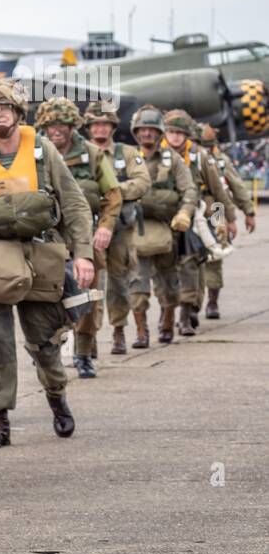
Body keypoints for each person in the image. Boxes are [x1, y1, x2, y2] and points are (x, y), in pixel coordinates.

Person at [0, 78, 94, 447]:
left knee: (44, 341)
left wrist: (83, 253)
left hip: (40, 258)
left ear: (18, 113)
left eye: (3, 108)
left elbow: (75, 204)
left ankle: (56, 398)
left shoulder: (43, 151)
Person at [33, 97, 123, 379]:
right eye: (50, 125)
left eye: (62, 124)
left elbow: (112, 195)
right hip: (47, 241)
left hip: (84, 237)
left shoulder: (92, 154)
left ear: (73, 125)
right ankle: (49, 354)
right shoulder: (35, 153)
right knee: (47, 300)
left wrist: (105, 227)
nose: (56, 129)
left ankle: (84, 354)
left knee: (88, 298)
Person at [81, 101, 151, 355]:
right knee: (91, 285)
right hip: (89, 227)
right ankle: (90, 337)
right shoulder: (82, 153)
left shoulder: (128, 153)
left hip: (122, 227)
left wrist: (112, 191)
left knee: (120, 283)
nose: (100, 129)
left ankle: (120, 331)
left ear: (112, 127)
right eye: (96, 124)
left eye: (105, 124)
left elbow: (143, 182)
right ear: (89, 127)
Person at [126, 106, 199, 346]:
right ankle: (142, 331)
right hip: (137, 228)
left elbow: (214, 193)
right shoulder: (128, 157)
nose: (147, 134)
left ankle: (182, 317)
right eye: (142, 130)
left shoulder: (200, 158)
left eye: (152, 130)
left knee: (183, 274)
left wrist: (220, 220)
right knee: (137, 281)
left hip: (187, 220)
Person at [160, 110, 231, 336]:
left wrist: (226, 221)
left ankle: (192, 310)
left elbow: (218, 191)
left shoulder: (201, 157)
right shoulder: (157, 155)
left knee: (195, 264)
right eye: (172, 132)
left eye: (181, 133)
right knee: (164, 267)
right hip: (167, 217)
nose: (176, 137)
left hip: (200, 215)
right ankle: (168, 312)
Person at [197, 122, 256, 319]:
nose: (205, 149)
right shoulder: (187, 158)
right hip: (194, 206)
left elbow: (236, 186)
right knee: (188, 257)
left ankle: (212, 302)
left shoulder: (221, 160)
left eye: (208, 145)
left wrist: (248, 211)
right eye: (201, 145)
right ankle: (191, 303)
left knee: (216, 253)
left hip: (216, 208)